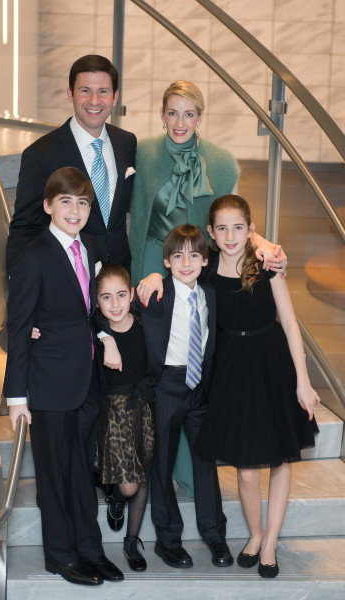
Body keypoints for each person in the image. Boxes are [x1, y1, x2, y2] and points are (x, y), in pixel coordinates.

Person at [129, 80, 286, 498]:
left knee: (191, 361)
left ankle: (186, 468)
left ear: (201, 117)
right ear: (162, 114)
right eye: (173, 112)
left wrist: (263, 242)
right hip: (152, 263)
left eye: (190, 113)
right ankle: (143, 466)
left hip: (196, 264)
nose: (180, 122)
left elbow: (230, 220)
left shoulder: (220, 161)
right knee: (154, 366)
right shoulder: (141, 153)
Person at [3, 167, 124, 586]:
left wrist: (106, 336)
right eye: (67, 201)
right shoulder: (32, 256)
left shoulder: (90, 247)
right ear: (49, 205)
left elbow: (90, 309)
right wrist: (16, 398)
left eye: (83, 202)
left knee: (80, 472)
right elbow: (18, 329)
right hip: (49, 386)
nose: (75, 210)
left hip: (87, 380)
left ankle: (89, 548)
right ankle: (59, 554)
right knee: (54, 475)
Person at [192, 195, 319, 578]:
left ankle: (271, 540)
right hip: (230, 367)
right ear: (211, 234)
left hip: (272, 361)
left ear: (251, 229)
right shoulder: (206, 265)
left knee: (281, 457)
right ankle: (255, 531)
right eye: (222, 228)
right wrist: (150, 277)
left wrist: (304, 381)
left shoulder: (267, 264)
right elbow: (173, 262)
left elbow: (291, 323)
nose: (231, 235)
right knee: (246, 470)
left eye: (239, 227)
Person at [117, 224, 233, 569]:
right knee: (162, 464)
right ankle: (168, 541)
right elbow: (116, 312)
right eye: (178, 256)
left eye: (194, 255)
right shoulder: (155, 294)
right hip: (166, 385)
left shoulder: (209, 292)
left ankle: (215, 536)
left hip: (200, 387)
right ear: (166, 261)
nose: (186, 262)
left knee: (205, 463)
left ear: (204, 261)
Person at [6, 54, 137, 272]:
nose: (94, 101)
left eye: (103, 91)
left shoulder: (127, 142)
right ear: (70, 94)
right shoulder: (40, 154)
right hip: (65, 280)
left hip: (118, 283)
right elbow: (24, 227)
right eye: (85, 91)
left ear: (115, 97)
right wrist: (22, 283)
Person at [94, 264, 155, 572]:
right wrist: (105, 337)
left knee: (142, 475)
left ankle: (131, 540)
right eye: (106, 298)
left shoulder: (145, 323)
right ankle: (116, 497)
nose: (115, 304)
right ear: (97, 302)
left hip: (143, 407)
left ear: (132, 294)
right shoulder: (96, 329)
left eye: (121, 295)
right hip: (113, 413)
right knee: (129, 485)